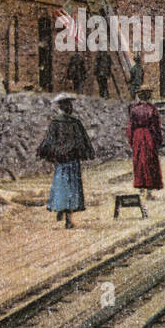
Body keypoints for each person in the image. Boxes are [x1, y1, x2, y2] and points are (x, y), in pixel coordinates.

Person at [37, 93, 95, 228]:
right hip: (72, 160)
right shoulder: (75, 123)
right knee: (71, 188)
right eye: (69, 105)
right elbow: (83, 140)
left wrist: (49, 153)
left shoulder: (56, 123)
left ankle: (61, 209)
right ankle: (68, 217)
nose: (70, 107)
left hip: (62, 161)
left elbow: (48, 141)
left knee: (61, 186)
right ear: (68, 108)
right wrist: (85, 152)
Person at [128, 86, 163, 199]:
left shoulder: (134, 109)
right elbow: (156, 126)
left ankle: (141, 190)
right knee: (149, 161)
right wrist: (158, 140)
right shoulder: (152, 109)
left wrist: (131, 140)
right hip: (148, 136)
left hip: (137, 137)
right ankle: (148, 192)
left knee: (139, 162)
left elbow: (130, 127)